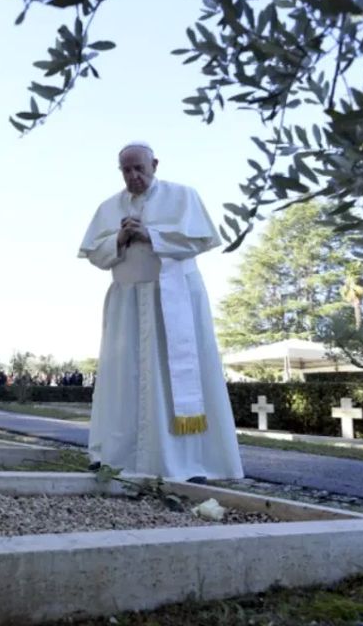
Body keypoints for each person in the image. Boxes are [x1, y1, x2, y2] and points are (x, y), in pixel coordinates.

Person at [78, 141, 243, 481]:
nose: (133, 175)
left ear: (154, 164)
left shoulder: (183, 196)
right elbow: (94, 254)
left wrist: (150, 235)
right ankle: (117, 455)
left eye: (139, 168)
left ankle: (188, 461)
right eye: (126, 170)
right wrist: (119, 239)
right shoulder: (108, 207)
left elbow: (201, 241)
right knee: (124, 377)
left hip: (174, 299)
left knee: (172, 379)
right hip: (126, 302)